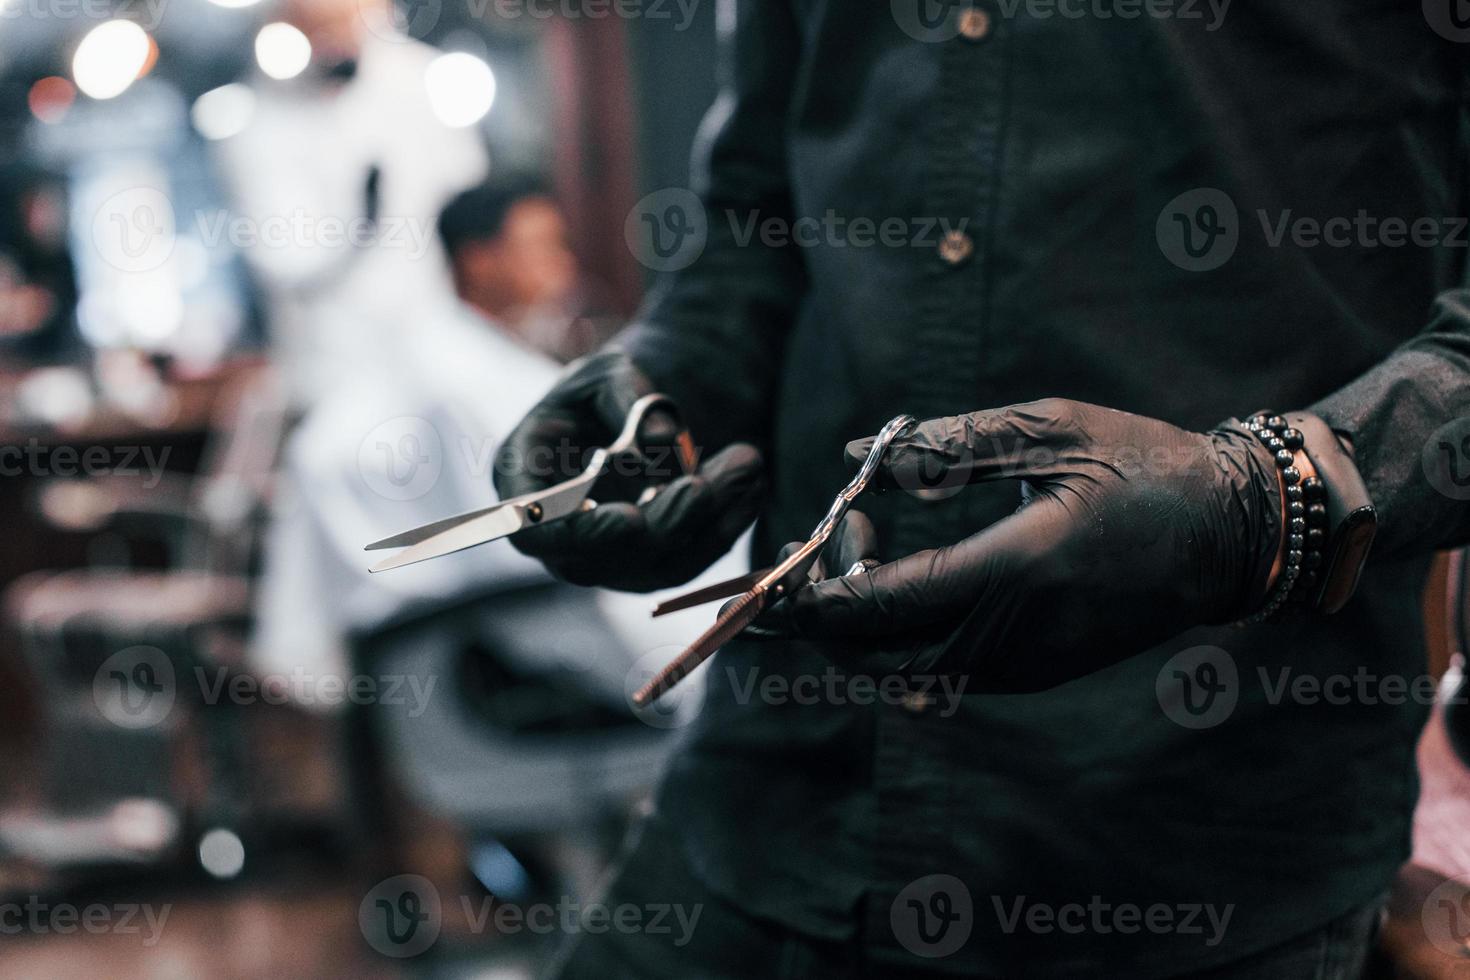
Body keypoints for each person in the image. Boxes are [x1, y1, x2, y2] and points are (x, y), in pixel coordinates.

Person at [495, 3, 1470, 977]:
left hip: (1191, 848)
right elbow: (757, 208)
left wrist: (1260, 499)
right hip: (775, 783)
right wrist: (671, 385)